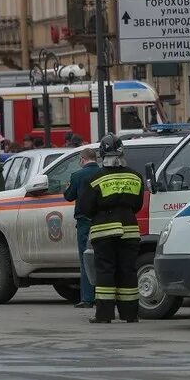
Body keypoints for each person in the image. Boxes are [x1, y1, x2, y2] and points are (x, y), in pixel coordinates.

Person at [77, 134, 143, 324]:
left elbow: (85, 208)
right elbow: (137, 205)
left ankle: (104, 315)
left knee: (105, 271)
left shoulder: (95, 179)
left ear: (102, 155)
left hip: (104, 231)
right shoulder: (135, 176)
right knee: (128, 271)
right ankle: (130, 314)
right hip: (130, 229)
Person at [64, 147, 99, 309]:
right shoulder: (103, 173)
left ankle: (87, 297)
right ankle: (104, 295)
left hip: (85, 222)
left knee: (85, 259)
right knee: (103, 259)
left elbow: (69, 196)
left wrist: (67, 186)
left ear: (82, 159)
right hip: (102, 220)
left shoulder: (77, 175)